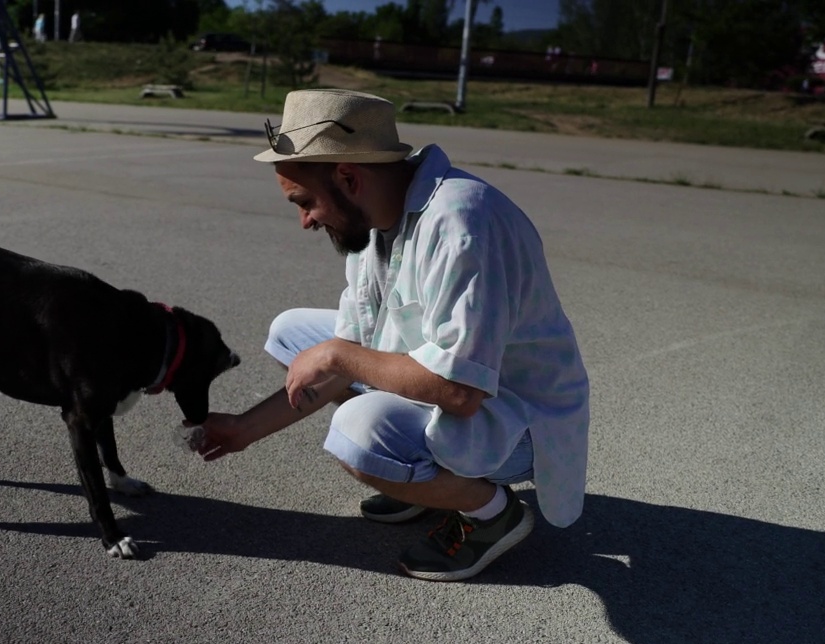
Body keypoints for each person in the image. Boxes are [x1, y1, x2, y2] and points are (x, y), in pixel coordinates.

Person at [194, 89, 590, 582]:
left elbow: (460, 392)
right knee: (294, 334)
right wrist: (243, 430)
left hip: (519, 418)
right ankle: (419, 480)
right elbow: (355, 344)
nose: (305, 222)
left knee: (357, 430)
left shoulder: (462, 224)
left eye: (305, 202)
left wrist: (339, 356)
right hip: (448, 380)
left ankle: (491, 514)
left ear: (348, 177)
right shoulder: (375, 219)